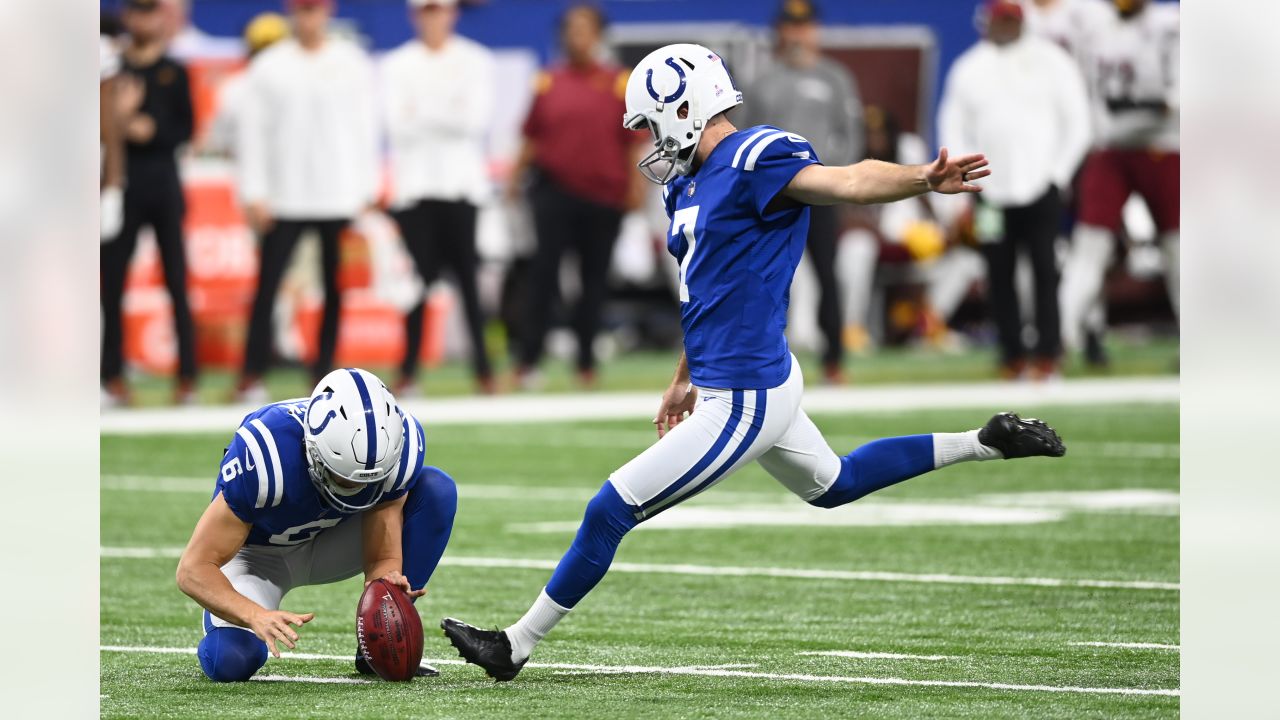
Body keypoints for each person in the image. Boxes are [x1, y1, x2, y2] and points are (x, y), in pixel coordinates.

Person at [439, 42, 1067, 681]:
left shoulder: (755, 156)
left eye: (654, 124)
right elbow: (705, 287)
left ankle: (515, 645)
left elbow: (845, 180)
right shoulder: (686, 183)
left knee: (610, 509)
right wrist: (683, 375)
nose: (651, 142)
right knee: (835, 484)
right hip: (741, 378)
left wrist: (920, 179)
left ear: (685, 108)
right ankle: (985, 441)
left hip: (745, 395)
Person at [175, 368, 457, 682]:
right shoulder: (268, 452)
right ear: (314, 451)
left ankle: (378, 651)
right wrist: (255, 614)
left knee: (436, 491)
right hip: (257, 556)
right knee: (230, 661)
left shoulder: (398, 449)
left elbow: (382, 555)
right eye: (343, 478)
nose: (356, 489)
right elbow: (193, 569)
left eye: (369, 481)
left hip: (332, 539)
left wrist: (386, 585)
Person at [234, 0, 379, 401]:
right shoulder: (269, 66)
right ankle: (251, 373)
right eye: (302, 7)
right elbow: (253, 134)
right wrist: (255, 192)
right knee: (268, 285)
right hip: (286, 197)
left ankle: (324, 375)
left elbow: (365, 128)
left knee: (335, 287)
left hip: (337, 195)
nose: (309, 15)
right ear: (291, 10)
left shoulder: (351, 61)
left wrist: (365, 189)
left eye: (314, 7)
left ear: (328, 10)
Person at [938, 0, 1091, 380]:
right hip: (989, 193)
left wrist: (1058, 174)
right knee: (997, 272)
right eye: (998, 20)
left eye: (1011, 19)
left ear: (1022, 22)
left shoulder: (1053, 61)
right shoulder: (969, 68)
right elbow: (952, 126)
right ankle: (1011, 355)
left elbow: (1078, 123)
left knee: (1045, 268)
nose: (1004, 26)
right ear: (988, 22)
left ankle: (1048, 354)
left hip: (1041, 187)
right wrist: (966, 180)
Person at [509, 3, 643, 390]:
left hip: (604, 196)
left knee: (594, 282)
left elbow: (632, 142)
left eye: (583, 28)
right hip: (554, 192)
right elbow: (531, 137)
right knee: (542, 278)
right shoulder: (548, 81)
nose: (575, 36)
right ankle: (527, 361)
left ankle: (586, 363)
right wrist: (515, 179)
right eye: (570, 28)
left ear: (598, 35)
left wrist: (635, 189)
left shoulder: (620, 83)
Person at [740, 0, 863, 383]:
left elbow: (851, 134)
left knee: (827, 273)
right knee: (764, 278)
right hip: (774, 195)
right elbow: (745, 140)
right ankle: (760, 361)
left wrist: (833, 177)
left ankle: (834, 360)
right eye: (790, 26)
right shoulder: (762, 82)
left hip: (821, 191)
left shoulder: (835, 78)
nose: (797, 34)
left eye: (804, 26)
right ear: (780, 31)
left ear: (815, 31)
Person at [382, 0, 496, 396]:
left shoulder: (475, 60)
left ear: (453, 13)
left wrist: (424, 112)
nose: (434, 17)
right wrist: (446, 110)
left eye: (440, 9)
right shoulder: (396, 65)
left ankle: (484, 370)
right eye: (427, 10)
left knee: (467, 280)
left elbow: (474, 121)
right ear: (416, 15)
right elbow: (398, 125)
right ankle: (409, 371)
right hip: (414, 191)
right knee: (416, 284)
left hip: (460, 188)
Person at [1059, 0, 1179, 359]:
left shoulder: (1170, 24)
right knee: (1089, 245)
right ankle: (1060, 337)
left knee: (1178, 247)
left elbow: (1177, 95)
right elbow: (1085, 91)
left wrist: (1153, 106)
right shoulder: (1097, 28)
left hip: (1164, 144)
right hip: (1110, 146)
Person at [101, 0, 198, 406]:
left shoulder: (173, 71)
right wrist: (122, 120)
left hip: (163, 185)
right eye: (138, 11)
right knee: (112, 283)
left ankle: (187, 378)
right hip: (122, 185)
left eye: (151, 10)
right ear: (128, 17)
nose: (145, 19)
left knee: (176, 279)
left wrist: (150, 128)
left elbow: (185, 129)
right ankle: (112, 377)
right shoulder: (112, 68)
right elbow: (100, 126)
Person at [200, 13, 290, 158]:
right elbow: (218, 141)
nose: (268, 59)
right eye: (263, 51)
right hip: (251, 171)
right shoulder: (234, 89)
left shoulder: (233, 87)